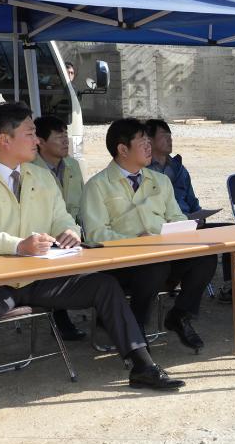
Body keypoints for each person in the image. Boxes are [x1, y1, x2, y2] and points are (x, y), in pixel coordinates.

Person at [0, 103, 183, 441]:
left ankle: (142, 364)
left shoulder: (39, 175)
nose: (36, 140)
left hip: (43, 275)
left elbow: (61, 217)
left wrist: (69, 230)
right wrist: (18, 245)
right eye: (29, 133)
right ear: (4, 140)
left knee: (103, 285)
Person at [82, 118, 217, 352]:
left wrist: (178, 230)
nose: (149, 147)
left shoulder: (160, 180)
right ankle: (135, 328)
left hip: (162, 252)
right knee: (154, 268)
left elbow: (176, 217)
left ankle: (180, 314)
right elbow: (95, 234)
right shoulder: (98, 185)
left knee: (206, 256)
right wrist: (135, 242)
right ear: (123, 149)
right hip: (122, 262)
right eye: (142, 142)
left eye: (148, 141)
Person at [31, 114, 87, 341]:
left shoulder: (72, 165)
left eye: (66, 135)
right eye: (59, 137)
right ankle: (60, 318)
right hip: (43, 237)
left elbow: (80, 203)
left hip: (72, 233)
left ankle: (103, 313)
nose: (65, 141)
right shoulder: (30, 168)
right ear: (40, 142)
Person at [145, 118, 204, 219]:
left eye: (170, 136)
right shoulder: (142, 171)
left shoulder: (179, 169)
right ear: (149, 140)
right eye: (164, 136)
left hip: (190, 223)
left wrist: (201, 217)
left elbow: (192, 201)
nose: (170, 140)